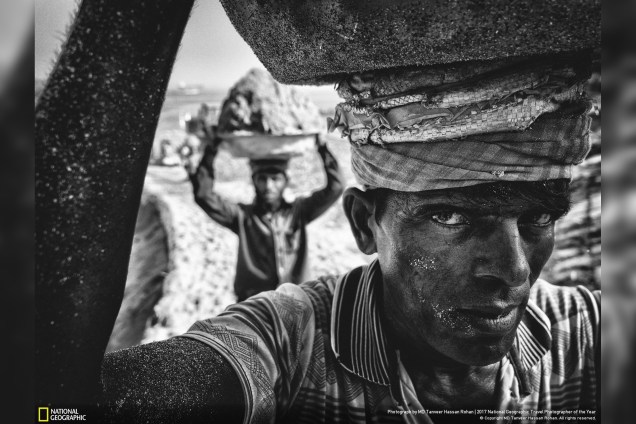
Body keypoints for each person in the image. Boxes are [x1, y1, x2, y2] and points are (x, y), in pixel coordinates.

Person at [35, 1, 600, 423]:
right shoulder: (289, 349)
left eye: (538, 219)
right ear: (364, 223)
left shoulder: (588, 337)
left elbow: (328, 182)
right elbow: (53, 410)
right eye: (451, 218)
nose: (515, 270)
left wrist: (314, 148)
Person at [188, 134, 344, 301]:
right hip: (254, 304)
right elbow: (203, 195)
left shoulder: (299, 212)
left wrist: (322, 148)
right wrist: (211, 150)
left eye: (275, 179)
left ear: (285, 182)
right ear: (254, 182)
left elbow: (336, 187)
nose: (269, 186)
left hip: (297, 301)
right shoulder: (242, 217)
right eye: (262, 179)